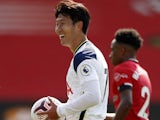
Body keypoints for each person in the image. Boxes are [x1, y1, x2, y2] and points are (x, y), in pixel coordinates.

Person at [38, 0, 109, 120]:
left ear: (79, 25)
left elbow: (93, 96)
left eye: (62, 24)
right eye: (57, 24)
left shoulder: (84, 57)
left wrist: (59, 111)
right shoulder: (90, 52)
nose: (58, 29)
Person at [106, 28, 152, 120]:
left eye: (113, 50)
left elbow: (127, 103)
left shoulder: (123, 68)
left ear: (122, 51)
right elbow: (131, 114)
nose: (110, 55)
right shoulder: (143, 73)